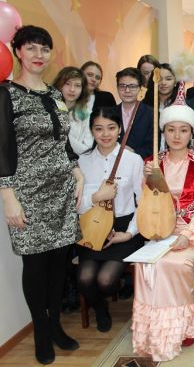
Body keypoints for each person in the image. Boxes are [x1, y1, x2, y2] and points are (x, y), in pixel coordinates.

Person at [0, 25, 81, 364]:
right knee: (35, 266)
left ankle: (56, 325)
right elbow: (2, 147)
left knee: (59, 264)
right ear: (18, 51)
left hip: (62, 190)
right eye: (31, 48)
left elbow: (63, 140)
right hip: (28, 193)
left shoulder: (54, 94)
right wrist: (8, 196)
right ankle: (41, 333)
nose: (39, 55)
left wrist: (76, 170)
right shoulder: (6, 94)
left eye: (44, 49)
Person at [132, 100, 194, 361]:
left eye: (183, 130)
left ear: (192, 133)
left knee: (174, 263)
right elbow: (146, 202)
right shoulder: (153, 162)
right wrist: (148, 178)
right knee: (145, 264)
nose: (177, 136)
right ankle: (154, 328)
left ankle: (187, 325)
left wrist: (187, 235)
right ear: (163, 132)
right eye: (171, 129)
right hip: (160, 227)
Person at [76, 107, 145, 332]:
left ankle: (109, 294)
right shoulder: (82, 162)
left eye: (111, 128)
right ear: (91, 131)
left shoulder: (133, 160)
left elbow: (143, 202)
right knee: (85, 279)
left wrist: (130, 233)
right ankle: (100, 308)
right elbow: (75, 204)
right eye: (98, 129)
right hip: (92, 228)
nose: (105, 134)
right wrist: (95, 197)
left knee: (106, 280)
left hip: (123, 228)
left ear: (119, 129)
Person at [113, 68, 153, 159]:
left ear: (141, 88)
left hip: (141, 163)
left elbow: (153, 146)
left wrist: (133, 153)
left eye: (132, 86)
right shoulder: (109, 113)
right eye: (122, 86)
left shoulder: (151, 114)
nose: (127, 90)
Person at [52, 67, 93, 154]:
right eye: (67, 84)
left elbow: (87, 149)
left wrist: (63, 133)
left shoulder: (86, 115)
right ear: (59, 85)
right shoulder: (48, 110)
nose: (72, 89)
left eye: (77, 85)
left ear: (82, 90)